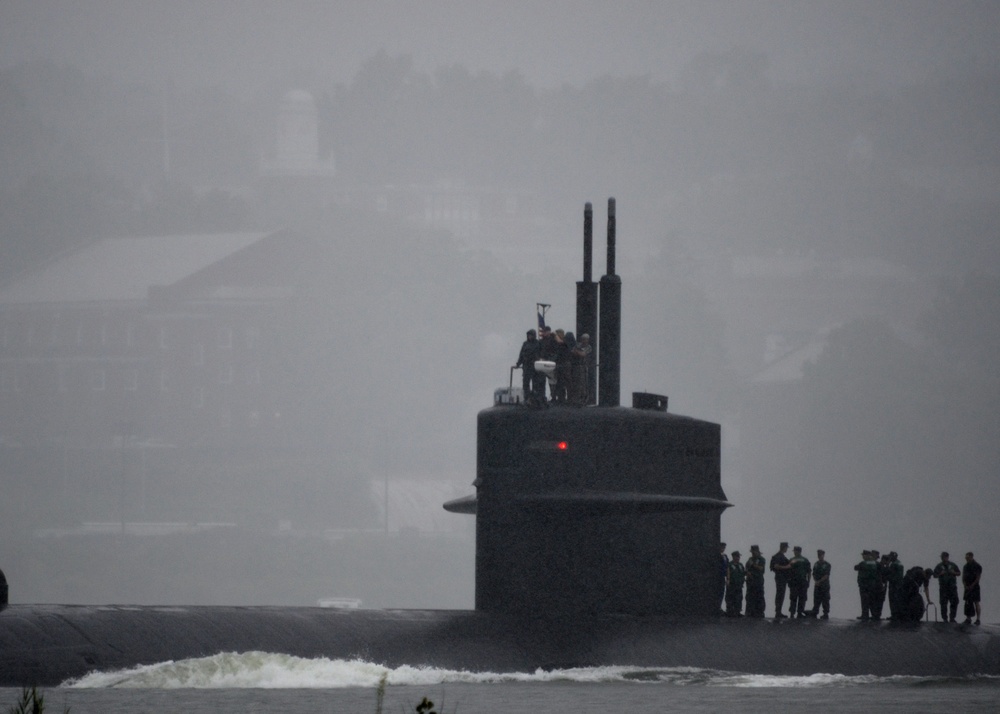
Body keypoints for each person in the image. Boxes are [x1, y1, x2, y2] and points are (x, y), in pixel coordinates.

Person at [515, 329, 542, 404]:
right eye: (528, 335)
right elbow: (521, 355)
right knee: (526, 383)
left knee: (535, 383)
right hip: (526, 367)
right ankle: (527, 398)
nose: (529, 337)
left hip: (534, 367)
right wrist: (518, 363)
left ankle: (535, 398)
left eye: (531, 335)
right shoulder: (525, 344)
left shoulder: (537, 343)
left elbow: (540, 354)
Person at [933, 552, 961, 623]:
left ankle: (952, 617)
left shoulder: (953, 565)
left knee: (954, 602)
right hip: (943, 588)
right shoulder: (939, 566)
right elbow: (934, 575)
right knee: (943, 603)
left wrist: (953, 573)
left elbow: (959, 573)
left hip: (952, 587)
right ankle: (945, 618)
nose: (943, 558)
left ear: (947, 557)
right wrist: (940, 574)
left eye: (944, 557)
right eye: (942, 557)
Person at [854, 550, 879, 621]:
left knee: (864, 600)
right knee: (872, 600)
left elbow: (855, 567)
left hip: (864, 585)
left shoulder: (864, 563)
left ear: (867, 555)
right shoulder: (875, 563)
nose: (862, 556)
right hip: (872, 585)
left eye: (863, 555)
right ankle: (874, 615)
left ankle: (865, 615)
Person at [788, 546, 811, 617]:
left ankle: (793, 612)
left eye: (795, 551)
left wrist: (789, 580)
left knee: (794, 597)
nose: (794, 552)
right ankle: (799, 612)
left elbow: (788, 570)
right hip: (801, 581)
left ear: (798, 551)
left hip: (794, 581)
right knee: (801, 598)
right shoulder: (805, 560)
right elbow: (809, 572)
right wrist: (808, 581)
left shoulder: (791, 560)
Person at [770, 542, 791, 619]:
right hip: (780, 577)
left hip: (782, 578)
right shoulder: (778, 556)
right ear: (784, 547)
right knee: (780, 594)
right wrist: (787, 567)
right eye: (786, 548)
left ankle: (778, 611)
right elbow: (776, 566)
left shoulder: (780, 556)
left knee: (781, 594)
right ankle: (778, 611)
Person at [745, 545, 767, 618]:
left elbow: (761, 568)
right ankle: (750, 611)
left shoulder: (761, 559)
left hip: (758, 580)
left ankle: (759, 611)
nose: (753, 553)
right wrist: (747, 572)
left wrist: (753, 565)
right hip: (750, 580)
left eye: (754, 552)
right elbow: (746, 568)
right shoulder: (750, 559)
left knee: (759, 596)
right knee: (750, 596)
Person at [569, 333, 591, 405]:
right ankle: (575, 399)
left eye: (586, 339)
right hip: (575, 366)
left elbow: (583, 354)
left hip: (583, 367)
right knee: (575, 383)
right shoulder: (577, 345)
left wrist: (577, 351)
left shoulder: (589, 347)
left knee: (583, 384)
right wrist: (577, 352)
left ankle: (583, 400)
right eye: (583, 339)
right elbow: (572, 352)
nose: (585, 340)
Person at [809, 549, 831, 619]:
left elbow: (826, 575)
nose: (819, 556)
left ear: (823, 555)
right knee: (816, 599)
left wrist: (819, 581)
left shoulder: (827, 564)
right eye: (818, 555)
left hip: (824, 585)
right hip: (817, 585)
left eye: (821, 555)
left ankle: (825, 613)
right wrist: (816, 581)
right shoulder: (816, 564)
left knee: (825, 599)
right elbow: (814, 574)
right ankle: (815, 612)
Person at [962, 552, 982, 625]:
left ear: (971, 557)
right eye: (966, 558)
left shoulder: (977, 566)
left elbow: (978, 577)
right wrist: (965, 585)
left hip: (975, 587)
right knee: (967, 602)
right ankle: (968, 618)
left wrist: (972, 585)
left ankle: (978, 619)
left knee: (976, 602)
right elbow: (963, 577)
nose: (966, 559)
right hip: (967, 587)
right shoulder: (965, 566)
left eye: (967, 558)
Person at [726, 551, 746, 617]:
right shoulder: (730, 564)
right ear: (733, 556)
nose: (738, 558)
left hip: (739, 585)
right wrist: (728, 580)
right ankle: (730, 611)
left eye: (739, 556)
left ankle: (737, 611)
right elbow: (728, 573)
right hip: (732, 584)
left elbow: (744, 572)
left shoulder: (740, 565)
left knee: (739, 599)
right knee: (731, 598)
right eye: (737, 556)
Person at [886, 552, 904, 620]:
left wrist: (887, 565)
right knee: (898, 600)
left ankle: (894, 615)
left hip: (893, 585)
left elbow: (889, 573)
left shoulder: (893, 564)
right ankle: (898, 615)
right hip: (899, 584)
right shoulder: (900, 563)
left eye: (890, 557)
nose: (889, 558)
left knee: (893, 600)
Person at [718, 542, 730, 615]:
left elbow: (727, 567)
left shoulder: (725, 556)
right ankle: (716, 607)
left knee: (721, 592)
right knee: (717, 592)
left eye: (724, 547)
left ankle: (719, 607)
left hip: (722, 577)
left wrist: (728, 578)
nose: (723, 549)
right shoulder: (715, 556)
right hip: (716, 578)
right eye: (722, 547)